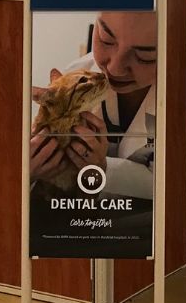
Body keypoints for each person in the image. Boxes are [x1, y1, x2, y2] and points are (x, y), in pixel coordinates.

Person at [30, 10, 157, 199]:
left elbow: (175, 187)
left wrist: (103, 169)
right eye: (106, 40)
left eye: (144, 57)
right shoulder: (75, 73)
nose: (114, 69)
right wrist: (26, 174)